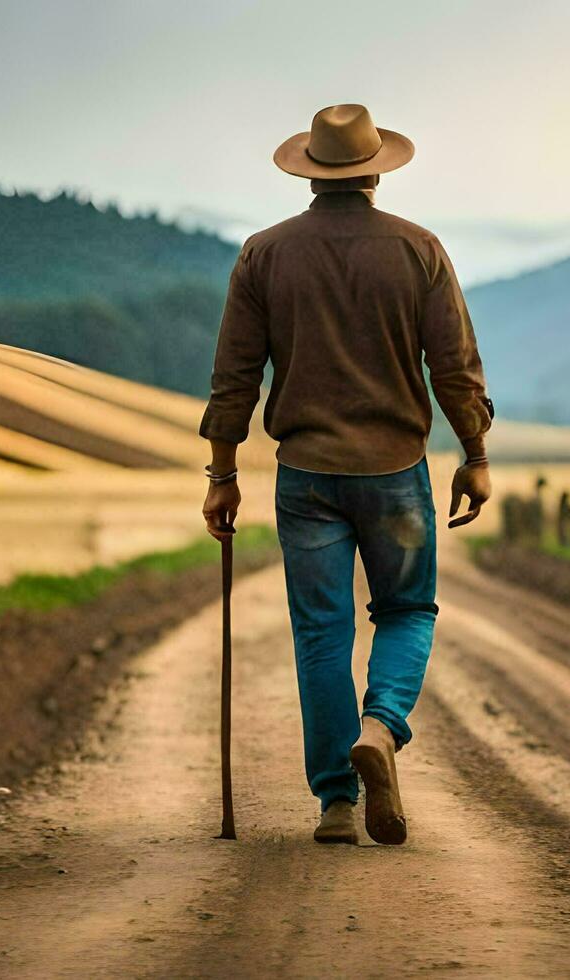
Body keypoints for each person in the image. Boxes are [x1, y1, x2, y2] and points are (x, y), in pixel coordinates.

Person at [199, 104, 493, 846]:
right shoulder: (419, 249)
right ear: (374, 170)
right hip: (396, 472)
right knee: (406, 611)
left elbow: (235, 376)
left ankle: (336, 801)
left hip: (305, 476)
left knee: (320, 633)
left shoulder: (263, 254)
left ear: (309, 172)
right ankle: (382, 729)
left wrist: (223, 471)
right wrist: (476, 453)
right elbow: (453, 366)